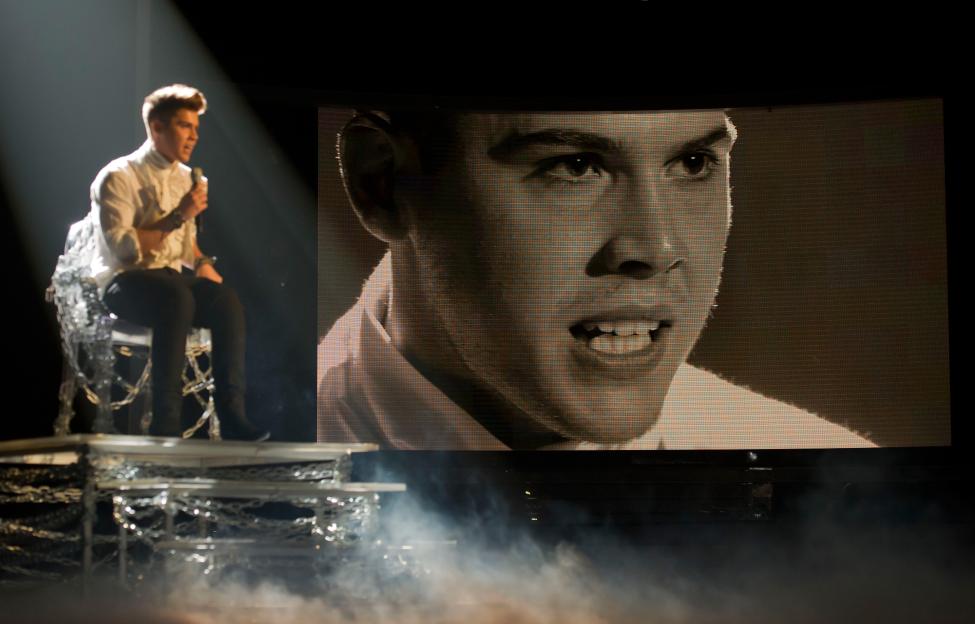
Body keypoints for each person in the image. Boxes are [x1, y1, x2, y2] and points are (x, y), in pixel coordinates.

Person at [317, 109, 875, 450]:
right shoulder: (259, 472)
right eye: (577, 166)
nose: (657, 249)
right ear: (382, 185)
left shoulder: (828, 478)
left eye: (694, 163)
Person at [86, 84, 267, 441]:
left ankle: (232, 416)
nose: (193, 137)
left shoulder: (188, 178)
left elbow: (186, 248)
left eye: (196, 129)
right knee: (176, 297)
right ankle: (165, 423)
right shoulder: (118, 176)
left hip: (168, 278)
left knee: (224, 300)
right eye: (185, 126)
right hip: (125, 281)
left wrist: (202, 263)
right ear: (156, 128)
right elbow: (124, 250)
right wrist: (178, 215)